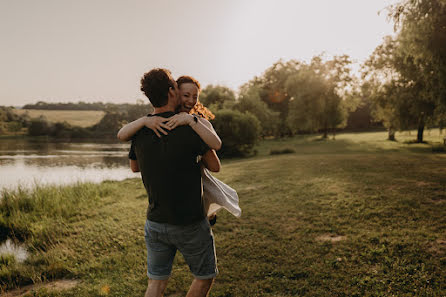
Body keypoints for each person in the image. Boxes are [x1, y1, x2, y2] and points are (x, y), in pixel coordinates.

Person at [127, 68, 219, 297]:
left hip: (155, 221)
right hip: (189, 222)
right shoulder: (189, 129)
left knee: (156, 283)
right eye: (178, 88)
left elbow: (134, 167)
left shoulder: (141, 129)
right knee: (204, 275)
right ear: (171, 91)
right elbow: (215, 164)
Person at [118, 76, 241, 221]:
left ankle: (207, 212)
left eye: (195, 96)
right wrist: (145, 120)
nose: (190, 100)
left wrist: (191, 121)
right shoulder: (155, 122)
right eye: (186, 95)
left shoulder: (197, 122)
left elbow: (217, 145)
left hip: (191, 193)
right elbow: (121, 134)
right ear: (174, 94)